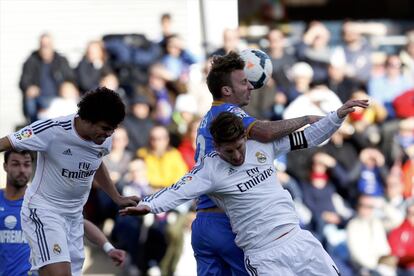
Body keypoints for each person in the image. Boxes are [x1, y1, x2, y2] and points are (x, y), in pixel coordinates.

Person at [120, 99, 369, 275]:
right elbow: (176, 191)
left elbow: (310, 136)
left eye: (240, 146)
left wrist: (337, 115)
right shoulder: (209, 170)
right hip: (264, 256)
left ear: (245, 138)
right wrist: (146, 206)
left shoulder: (263, 146)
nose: (238, 155)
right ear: (217, 146)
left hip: (299, 240)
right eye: (229, 151)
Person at [189, 52, 325, 276]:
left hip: (203, 222)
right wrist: (306, 119)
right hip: (227, 223)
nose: (250, 87)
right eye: (243, 82)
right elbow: (265, 132)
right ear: (227, 90)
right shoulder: (228, 113)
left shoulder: (207, 117)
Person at [0, 87, 138, 276]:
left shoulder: (104, 140)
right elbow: (6, 142)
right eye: (106, 128)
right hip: (44, 211)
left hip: (74, 218)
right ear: (88, 119)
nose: (109, 134)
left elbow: (96, 163)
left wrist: (116, 197)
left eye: (113, 129)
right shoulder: (52, 130)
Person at [0, 149, 127, 275]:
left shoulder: (42, 200)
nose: (22, 170)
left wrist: (109, 248)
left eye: (26, 164)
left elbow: (80, 223)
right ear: (5, 166)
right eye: (16, 164)